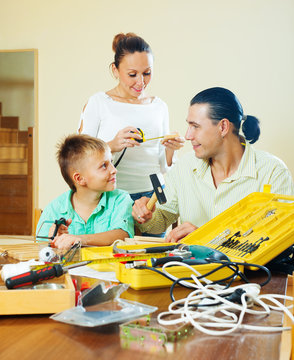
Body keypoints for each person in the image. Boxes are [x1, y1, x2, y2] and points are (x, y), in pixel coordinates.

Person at [132, 87, 294, 242]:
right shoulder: (184, 167)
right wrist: (148, 215)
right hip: (192, 270)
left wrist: (206, 238)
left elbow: (279, 239)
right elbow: (162, 219)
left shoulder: (272, 171)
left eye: (195, 126)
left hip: (251, 271)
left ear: (223, 127)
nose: (188, 135)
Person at [78, 32, 184, 208]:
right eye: (132, 74)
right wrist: (111, 145)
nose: (141, 82)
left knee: (151, 237)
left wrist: (171, 151)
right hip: (112, 196)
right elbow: (79, 158)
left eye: (147, 73)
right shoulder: (98, 103)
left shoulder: (159, 106)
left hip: (154, 196)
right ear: (115, 70)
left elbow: (163, 167)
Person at [36, 134, 134, 250]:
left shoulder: (121, 199)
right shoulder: (54, 209)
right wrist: (53, 242)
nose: (114, 170)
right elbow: (41, 249)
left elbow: (123, 235)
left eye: (111, 162)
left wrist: (80, 239)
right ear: (79, 179)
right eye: (104, 165)